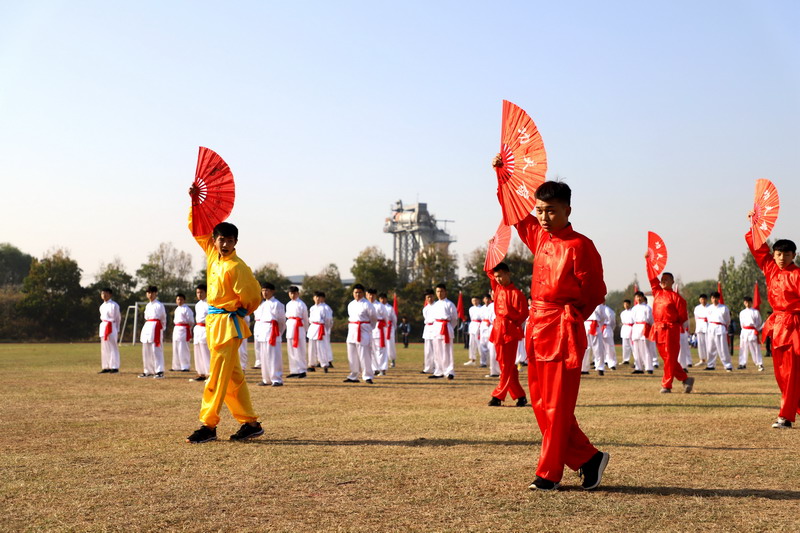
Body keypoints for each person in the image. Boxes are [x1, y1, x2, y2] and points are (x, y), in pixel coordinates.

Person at [504, 174, 609, 491]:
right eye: (539, 210)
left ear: (568, 211)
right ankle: (589, 459)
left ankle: (549, 474)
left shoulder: (581, 246)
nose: (543, 217)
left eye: (551, 210)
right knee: (539, 403)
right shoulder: (539, 239)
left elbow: (595, 292)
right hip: (536, 328)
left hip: (562, 330)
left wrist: (571, 318)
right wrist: (503, 176)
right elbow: (516, 213)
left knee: (557, 406)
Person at [185, 185, 264, 444]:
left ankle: (208, 425)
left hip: (228, 325)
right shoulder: (212, 256)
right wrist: (195, 203)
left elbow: (252, 295)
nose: (226, 244)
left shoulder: (237, 266)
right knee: (233, 377)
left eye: (231, 240)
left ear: (236, 242)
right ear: (215, 240)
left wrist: (240, 309)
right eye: (222, 239)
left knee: (216, 375)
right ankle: (250, 423)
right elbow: (197, 229)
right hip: (213, 322)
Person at [745, 221, 800, 428]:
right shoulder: (771, 268)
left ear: (794, 255)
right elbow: (759, 249)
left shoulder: (797, 275)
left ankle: (785, 417)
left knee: (791, 373)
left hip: (794, 326)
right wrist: (754, 225)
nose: (782, 258)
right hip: (777, 326)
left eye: (786, 255)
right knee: (781, 374)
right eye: (778, 254)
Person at [644, 257, 694, 394]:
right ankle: (685, 379)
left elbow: (682, 317)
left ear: (672, 281)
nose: (663, 281)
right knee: (667, 358)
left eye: (666, 279)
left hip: (671, 329)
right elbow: (651, 276)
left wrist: (672, 323)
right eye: (662, 279)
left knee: (670, 358)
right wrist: (648, 261)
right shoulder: (657, 292)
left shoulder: (677, 298)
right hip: (658, 329)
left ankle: (667, 385)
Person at [486, 262, 528, 407]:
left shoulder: (517, 294)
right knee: (505, 365)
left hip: (509, 330)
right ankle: (520, 395)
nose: (497, 279)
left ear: (508, 274)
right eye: (496, 276)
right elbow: (489, 272)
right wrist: (491, 253)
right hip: (498, 329)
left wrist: (512, 324)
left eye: (500, 276)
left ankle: (498, 396)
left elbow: (524, 314)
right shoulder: (497, 289)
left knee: (506, 364)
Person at [253, 282, 286, 386]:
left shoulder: (277, 304)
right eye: (263, 290)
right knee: (264, 357)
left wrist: (278, 332)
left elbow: (281, 321)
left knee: (274, 357)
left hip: (273, 331)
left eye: (267, 290)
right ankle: (266, 379)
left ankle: (276, 378)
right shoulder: (262, 304)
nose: (264, 293)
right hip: (263, 332)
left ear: (272, 291)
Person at [344, 284, 377, 384]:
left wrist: (368, 328)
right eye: (355, 292)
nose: (357, 294)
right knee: (352, 355)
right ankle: (353, 375)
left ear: (363, 293)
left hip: (363, 330)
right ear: (353, 293)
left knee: (364, 354)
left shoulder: (368, 304)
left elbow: (373, 319)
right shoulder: (350, 304)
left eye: (359, 292)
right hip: (352, 330)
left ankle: (367, 375)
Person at [428, 283, 458, 380]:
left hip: (446, 327)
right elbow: (432, 319)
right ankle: (438, 371)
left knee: (447, 351)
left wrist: (449, 327)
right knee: (437, 351)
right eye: (437, 291)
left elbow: (454, 319)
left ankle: (449, 371)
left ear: (445, 292)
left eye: (441, 291)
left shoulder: (450, 304)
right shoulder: (435, 305)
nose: (439, 293)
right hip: (436, 328)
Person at [139, 286, 166, 379]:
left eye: (152, 292)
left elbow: (163, 318)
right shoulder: (147, 305)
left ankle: (159, 371)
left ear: (155, 293)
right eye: (148, 293)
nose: (150, 295)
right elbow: (146, 317)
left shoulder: (159, 305)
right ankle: (148, 370)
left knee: (156, 349)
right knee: (146, 350)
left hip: (156, 327)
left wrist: (161, 329)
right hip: (148, 326)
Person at [285, 286, 309, 378]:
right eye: (291, 293)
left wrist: (305, 330)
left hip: (299, 328)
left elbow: (305, 318)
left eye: (294, 293)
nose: (292, 295)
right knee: (291, 350)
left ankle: (302, 370)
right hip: (290, 327)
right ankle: (294, 370)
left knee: (300, 350)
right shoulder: (288, 304)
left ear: (298, 293)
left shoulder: (301, 304)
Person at [704, 292, 732, 371]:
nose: (714, 299)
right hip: (711, 328)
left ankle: (727, 365)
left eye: (716, 298)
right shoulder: (709, 308)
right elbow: (708, 319)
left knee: (723, 348)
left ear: (719, 299)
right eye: (713, 298)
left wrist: (723, 326)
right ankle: (710, 365)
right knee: (710, 348)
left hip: (720, 328)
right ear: (711, 299)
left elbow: (727, 320)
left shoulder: (724, 308)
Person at [307, 291, 333, 372]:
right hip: (313, 327)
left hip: (321, 328)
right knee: (311, 348)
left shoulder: (325, 308)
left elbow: (328, 320)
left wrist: (326, 329)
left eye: (319, 297)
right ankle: (312, 365)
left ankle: (325, 364)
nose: (317, 299)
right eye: (316, 297)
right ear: (313, 298)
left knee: (321, 348)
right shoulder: (312, 308)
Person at [98, 288, 121, 374]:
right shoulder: (101, 306)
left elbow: (118, 318)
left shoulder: (114, 305)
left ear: (110, 294)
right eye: (102, 293)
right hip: (104, 326)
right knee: (104, 348)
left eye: (106, 293)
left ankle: (114, 367)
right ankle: (106, 366)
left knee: (113, 347)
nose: (104, 295)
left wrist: (117, 328)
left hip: (111, 326)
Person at [630, 292, 654, 374]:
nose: (639, 298)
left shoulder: (647, 308)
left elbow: (651, 320)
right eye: (637, 297)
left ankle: (649, 367)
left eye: (640, 297)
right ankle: (638, 367)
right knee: (636, 349)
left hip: (645, 327)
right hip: (636, 327)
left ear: (643, 297)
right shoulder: (634, 308)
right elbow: (633, 319)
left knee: (645, 348)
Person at [738, 296, 764, 371]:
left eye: (749, 302)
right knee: (743, 348)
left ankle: (759, 363)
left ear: (751, 302)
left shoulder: (755, 312)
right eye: (746, 302)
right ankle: (742, 363)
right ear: (744, 303)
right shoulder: (742, 312)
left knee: (755, 348)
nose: (747, 304)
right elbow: (741, 323)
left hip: (752, 331)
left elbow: (759, 322)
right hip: (744, 331)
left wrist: (756, 329)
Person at [367, 288, 389, 376]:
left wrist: (384, 327)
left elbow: (386, 318)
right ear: (367, 295)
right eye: (370, 295)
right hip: (368, 330)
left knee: (381, 350)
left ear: (376, 296)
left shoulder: (380, 306)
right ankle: (374, 368)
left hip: (379, 329)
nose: (371, 297)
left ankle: (382, 369)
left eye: (373, 295)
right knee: (371, 351)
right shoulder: (366, 305)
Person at [192, 284, 211, 382]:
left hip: (205, 328)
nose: (199, 295)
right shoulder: (197, 304)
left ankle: (210, 374)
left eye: (201, 292)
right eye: (197, 293)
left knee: (205, 352)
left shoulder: (210, 303)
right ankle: (201, 373)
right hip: (198, 328)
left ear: (206, 292)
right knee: (198, 351)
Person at [171, 293, 194, 372]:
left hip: (184, 329)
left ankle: (185, 366)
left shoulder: (187, 309)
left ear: (184, 300)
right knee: (175, 347)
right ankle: (176, 366)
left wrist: (187, 329)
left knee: (183, 348)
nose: (179, 301)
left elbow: (191, 321)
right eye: (178, 299)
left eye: (181, 299)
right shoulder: (177, 309)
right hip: (176, 328)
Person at [582, 304, 607, 376]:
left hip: (595, 325)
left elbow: (603, 317)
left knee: (598, 348)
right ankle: (584, 368)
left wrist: (599, 325)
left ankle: (600, 367)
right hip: (586, 325)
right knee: (585, 347)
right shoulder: (585, 303)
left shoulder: (598, 305)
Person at [380, 293, 398, 368]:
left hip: (388, 328)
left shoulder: (390, 308)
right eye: (381, 298)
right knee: (380, 345)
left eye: (383, 298)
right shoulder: (377, 306)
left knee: (390, 345)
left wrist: (393, 328)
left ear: (386, 299)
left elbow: (394, 319)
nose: (382, 300)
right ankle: (382, 361)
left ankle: (392, 360)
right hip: (380, 328)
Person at [421, 290, 436, 373]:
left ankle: (436, 367)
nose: (429, 298)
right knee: (427, 350)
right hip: (427, 328)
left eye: (431, 296)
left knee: (435, 350)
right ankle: (427, 368)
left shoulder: (437, 306)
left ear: (434, 296)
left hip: (435, 327)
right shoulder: (425, 308)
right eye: (427, 297)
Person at [600, 302, 617, 371]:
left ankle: (612, 363)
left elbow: (612, 322)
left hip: (606, 328)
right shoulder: (596, 308)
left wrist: (609, 328)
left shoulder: (608, 310)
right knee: (599, 348)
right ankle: (600, 363)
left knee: (609, 348)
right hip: (598, 328)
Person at [693, 294, 710, 367]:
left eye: (704, 299)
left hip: (707, 327)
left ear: (706, 299)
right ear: (699, 300)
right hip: (700, 326)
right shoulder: (697, 308)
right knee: (700, 344)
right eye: (701, 299)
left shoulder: (710, 307)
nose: (703, 301)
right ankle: (702, 359)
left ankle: (710, 360)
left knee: (708, 344)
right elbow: (696, 318)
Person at [619, 299, 634, 365]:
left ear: (630, 304)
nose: (626, 305)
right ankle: (625, 359)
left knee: (633, 346)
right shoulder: (622, 313)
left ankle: (637, 360)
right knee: (625, 346)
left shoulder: (633, 311)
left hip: (631, 328)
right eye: (625, 304)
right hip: (625, 328)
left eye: (627, 304)